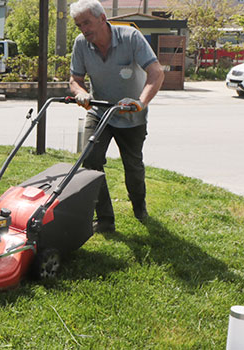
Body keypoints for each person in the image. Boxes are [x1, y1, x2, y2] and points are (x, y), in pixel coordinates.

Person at [68, 0, 164, 232]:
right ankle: (105, 219)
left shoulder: (130, 37)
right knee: (90, 161)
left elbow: (156, 72)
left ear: (102, 19)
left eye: (87, 23)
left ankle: (139, 208)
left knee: (133, 166)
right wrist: (80, 93)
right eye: (79, 25)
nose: (84, 29)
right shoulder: (81, 44)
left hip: (131, 114)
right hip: (99, 111)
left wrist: (141, 103)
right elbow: (75, 80)